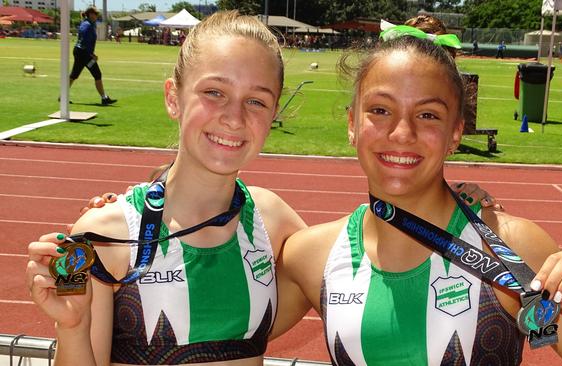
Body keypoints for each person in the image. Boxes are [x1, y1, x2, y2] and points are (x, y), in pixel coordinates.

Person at [26, 11, 497, 366]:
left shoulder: (272, 222)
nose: (234, 117)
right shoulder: (104, 233)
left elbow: (367, 261)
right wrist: (72, 326)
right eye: (214, 93)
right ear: (174, 96)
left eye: (256, 100)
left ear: (273, 115)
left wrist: (453, 208)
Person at [275, 27, 562, 365]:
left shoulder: (511, 248)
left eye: (428, 115)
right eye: (379, 110)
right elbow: (224, 336)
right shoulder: (311, 256)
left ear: (456, 133)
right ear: (352, 124)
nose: (402, 132)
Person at [68, 7, 117, 106]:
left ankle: (63, 95)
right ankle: (104, 98)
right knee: (97, 74)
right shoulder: (88, 25)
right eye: (95, 14)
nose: (96, 16)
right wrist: (91, 54)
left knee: (74, 75)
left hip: (81, 52)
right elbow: (85, 40)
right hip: (84, 53)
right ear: (90, 14)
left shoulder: (87, 23)